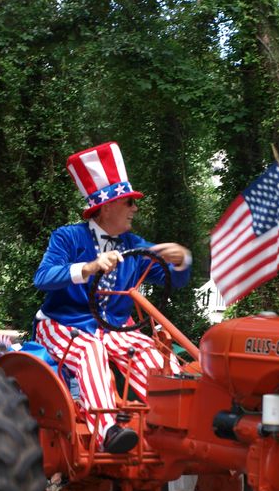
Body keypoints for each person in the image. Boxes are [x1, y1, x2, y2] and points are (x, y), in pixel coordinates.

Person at [34, 141, 191, 454]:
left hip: (114, 327)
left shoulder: (135, 243)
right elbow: (43, 278)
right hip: (62, 323)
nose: (135, 208)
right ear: (106, 207)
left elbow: (172, 279)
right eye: (129, 202)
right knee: (89, 350)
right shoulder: (68, 236)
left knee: (151, 352)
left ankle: (182, 424)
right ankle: (107, 431)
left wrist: (181, 260)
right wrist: (89, 267)